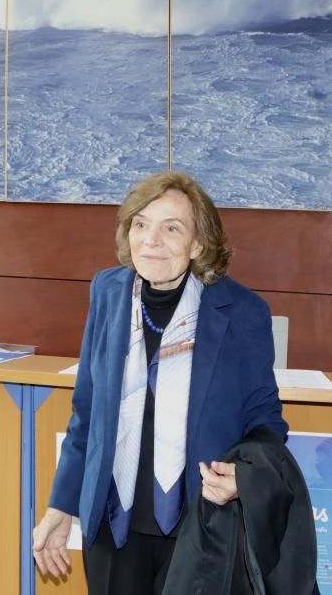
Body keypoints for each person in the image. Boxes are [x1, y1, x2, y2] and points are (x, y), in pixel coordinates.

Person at [33, 171, 288, 595]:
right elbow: (88, 411)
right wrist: (61, 505)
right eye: (140, 224)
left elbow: (265, 419)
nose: (151, 239)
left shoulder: (242, 311)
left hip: (200, 526)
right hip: (114, 526)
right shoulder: (109, 292)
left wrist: (244, 478)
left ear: (198, 244)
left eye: (172, 228)